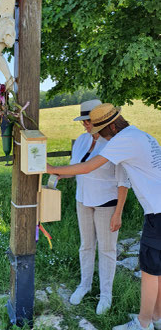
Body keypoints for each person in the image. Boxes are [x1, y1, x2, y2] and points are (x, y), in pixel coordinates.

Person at [47, 103, 161, 330]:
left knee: (150, 272)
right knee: (158, 269)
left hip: (157, 213)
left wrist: (49, 167)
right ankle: (156, 318)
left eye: (97, 128)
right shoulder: (140, 135)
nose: (94, 132)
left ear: (109, 126)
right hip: (157, 210)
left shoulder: (121, 140)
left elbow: (89, 167)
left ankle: (142, 324)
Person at [57, 100, 130, 315]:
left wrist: (118, 212)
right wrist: (57, 174)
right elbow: (76, 169)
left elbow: (123, 181)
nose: (85, 125)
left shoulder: (113, 142)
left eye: (88, 121)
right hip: (83, 200)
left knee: (107, 250)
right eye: (83, 121)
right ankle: (84, 285)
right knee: (86, 246)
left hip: (107, 203)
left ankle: (106, 294)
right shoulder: (81, 140)